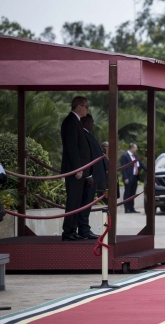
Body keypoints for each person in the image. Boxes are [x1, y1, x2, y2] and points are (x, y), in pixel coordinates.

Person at [60, 96, 92, 241]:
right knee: (73, 201)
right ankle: (68, 232)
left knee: (76, 201)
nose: (87, 109)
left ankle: (73, 230)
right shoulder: (70, 122)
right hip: (75, 171)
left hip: (80, 170)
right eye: (86, 106)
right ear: (79, 106)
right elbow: (72, 148)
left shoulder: (76, 121)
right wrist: (77, 169)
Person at [78, 114, 107, 239]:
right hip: (90, 176)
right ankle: (84, 230)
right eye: (92, 122)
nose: (93, 125)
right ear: (85, 123)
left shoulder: (87, 134)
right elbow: (86, 156)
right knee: (85, 203)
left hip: (94, 175)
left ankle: (84, 229)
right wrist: (89, 174)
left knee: (87, 204)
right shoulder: (83, 135)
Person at [121, 143, 146, 213]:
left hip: (135, 177)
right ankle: (127, 208)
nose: (137, 149)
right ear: (132, 148)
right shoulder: (125, 156)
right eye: (136, 148)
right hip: (128, 178)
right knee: (127, 193)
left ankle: (132, 208)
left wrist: (149, 170)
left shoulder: (135, 156)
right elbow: (123, 168)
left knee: (133, 193)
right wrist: (125, 178)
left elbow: (141, 164)